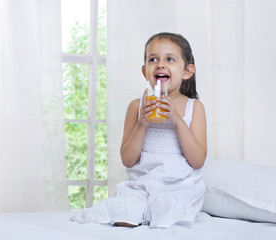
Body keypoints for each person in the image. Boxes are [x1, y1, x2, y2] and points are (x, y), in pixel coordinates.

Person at [71, 32, 207, 228]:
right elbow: (127, 159)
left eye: (170, 59)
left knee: (167, 210)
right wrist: (142, 123)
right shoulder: (137, 106)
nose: (160, 64)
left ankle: (155, 213)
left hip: (178, 186)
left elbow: (197, 161)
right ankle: (140, 212)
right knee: (124, 211)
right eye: (153, 59)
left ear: (187, 71)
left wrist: (177, 120)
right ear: (145, 72)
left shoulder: (194, 108)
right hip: (142, 186)